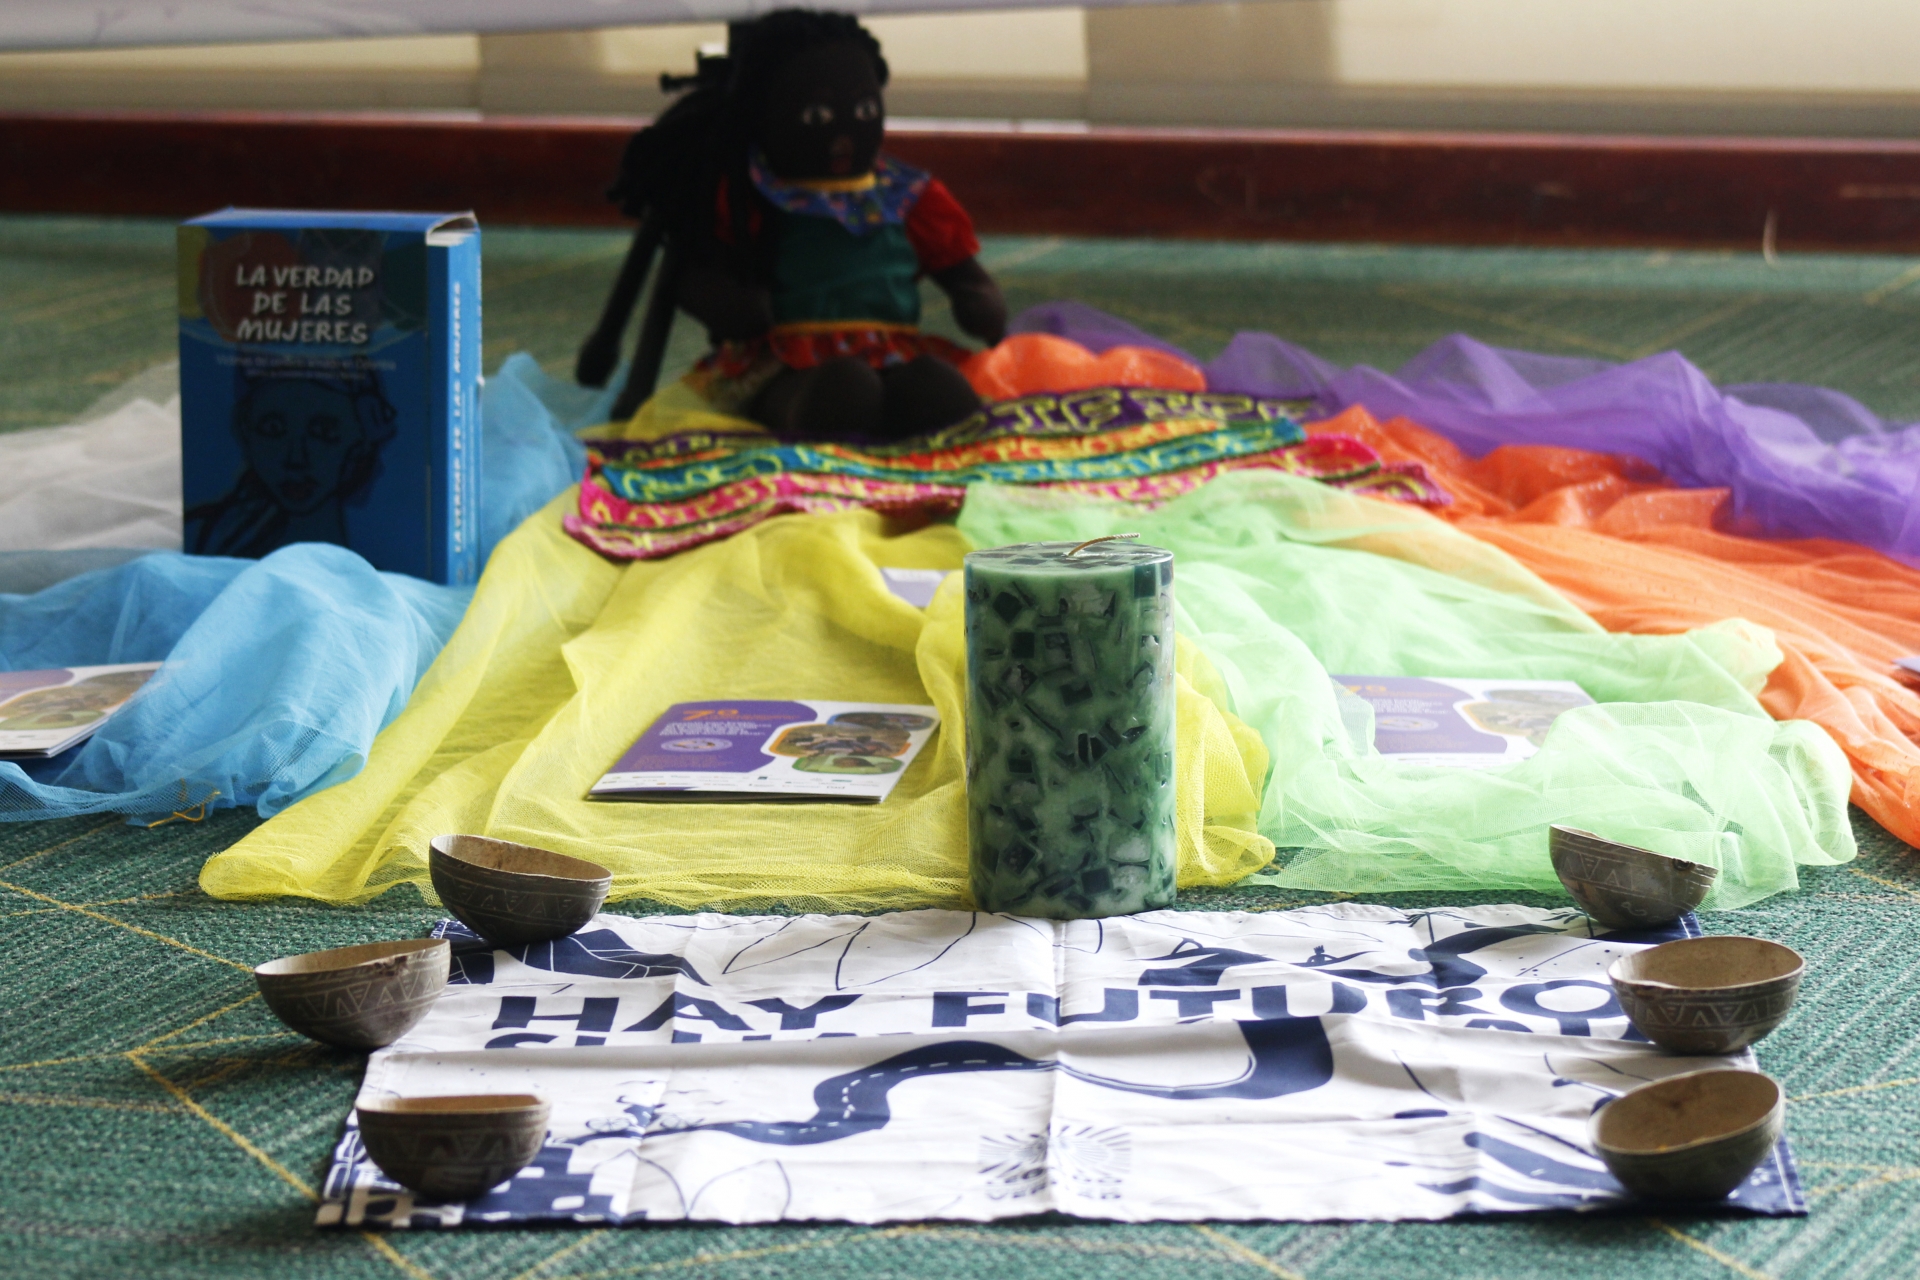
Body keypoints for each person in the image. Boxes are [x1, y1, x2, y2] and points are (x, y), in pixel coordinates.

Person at [591, 9, 1007, 441]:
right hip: (784, 363)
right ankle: (813, 413)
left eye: (865, 109)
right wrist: (729, 305)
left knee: (939, 392)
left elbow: (962, 271)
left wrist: (976, 295)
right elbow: (694, 271)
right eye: (817, 117)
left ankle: (893, 409)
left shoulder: (906, 194)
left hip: (893, 352)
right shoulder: (752, 191)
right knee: (843, 393)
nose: (844, 133)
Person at [185, 370, 398, 557]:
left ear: (361, 441)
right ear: (246, 432)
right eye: (273, 429)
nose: (296, 459)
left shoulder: (390, 574)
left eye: (323, 432)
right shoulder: (204, 535)